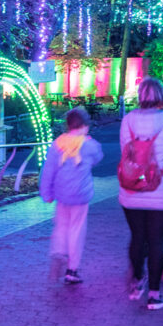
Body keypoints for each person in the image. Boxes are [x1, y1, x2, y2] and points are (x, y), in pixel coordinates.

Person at [119, 77, 163, 311]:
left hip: (131, 190)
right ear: (162, 97)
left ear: (140, 96)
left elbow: (125, 152)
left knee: (137, 237)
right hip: (162, 193)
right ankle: (154, 295)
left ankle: (137, 283)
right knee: (157, 241)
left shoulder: (128, 120)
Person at [40, 107, 103, 284]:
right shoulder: (89, 144)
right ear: (84, 125)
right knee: (77, 230)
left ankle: (58, 252)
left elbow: (48, 171)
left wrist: (47, 193)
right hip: (80, 196)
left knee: (61, 226)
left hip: (62, 194)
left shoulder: (58, 144)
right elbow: (98, 156)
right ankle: (72, 269)